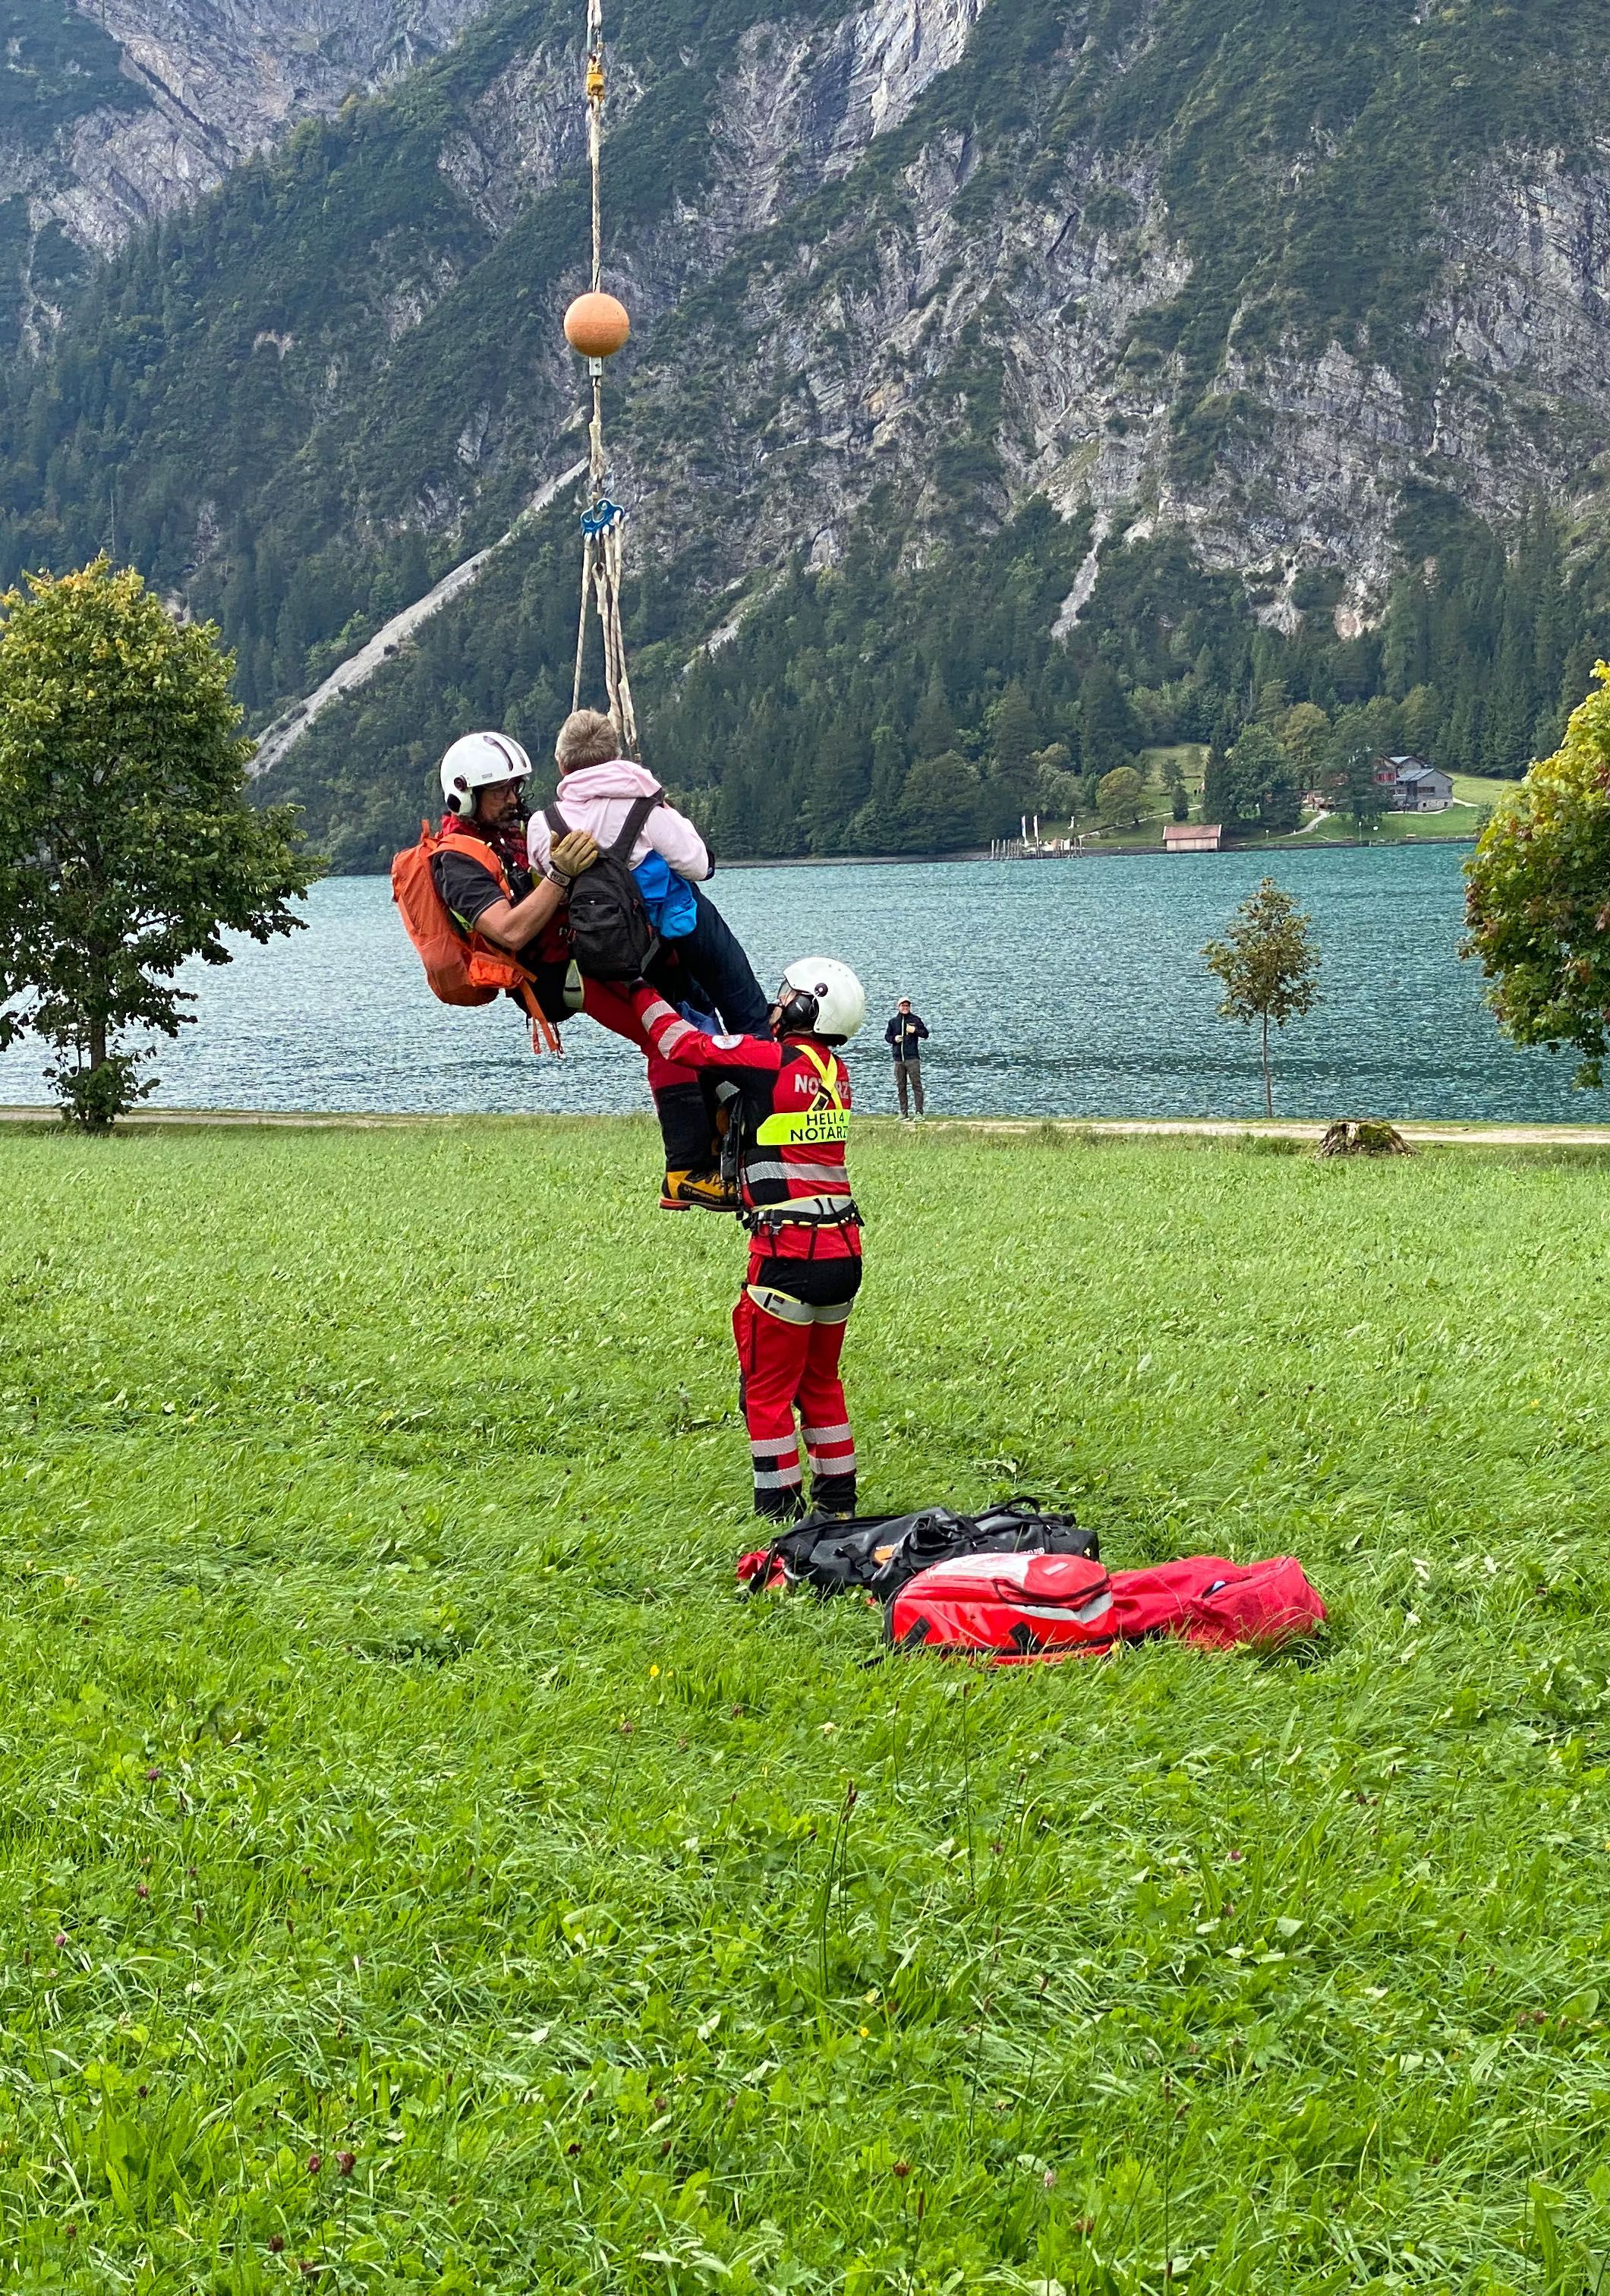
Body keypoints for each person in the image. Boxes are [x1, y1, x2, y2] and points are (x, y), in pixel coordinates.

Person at [430, 730, 724, 1205]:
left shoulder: (514, 831)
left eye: (514, 787)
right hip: (558, 973)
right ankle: (685, 1171)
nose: (513, 798)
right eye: (500, 791)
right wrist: (560, 875)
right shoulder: (455, 862)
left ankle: (719, 1139)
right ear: (464, 796)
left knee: (693, 1015)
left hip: (592, 952)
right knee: (664, 1039)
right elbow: (509, 931)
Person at [630, 957, 867, 1522]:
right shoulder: (837, 1075)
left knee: (765, 1392)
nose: (777, 1002)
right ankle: (837, 1505)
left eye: (787, 995)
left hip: (787, 1252)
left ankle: (778, 1510)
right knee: (821, 1384)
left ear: (810, 1006)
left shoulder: (772, 1059)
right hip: (844, 1251)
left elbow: (682, 1045)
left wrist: (637, 989)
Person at [529, 709, 770, 1034]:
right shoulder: (645, 807)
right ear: (615, 757)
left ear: (562, 765)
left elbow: (545, 884)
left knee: (686, 1022)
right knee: (744, 1006)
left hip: (607, 946)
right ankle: (760, 1062)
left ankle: (702, 1060)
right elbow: (697, 866)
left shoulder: (543, 824)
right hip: (674, 933)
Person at [884, 996, 929, 1118]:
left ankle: (919, 1112)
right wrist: (894, 1039)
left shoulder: (915, 1020)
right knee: (901, 1086)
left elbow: (925, 1034)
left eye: (907, 1006)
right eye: (903, 1006)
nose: (905, 1008)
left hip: (912, 1058)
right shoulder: (893, 1022)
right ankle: (904, 1112)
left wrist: (915, 1030)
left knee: (916, 1085)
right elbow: (887, 1037)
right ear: (898, 1007)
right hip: (898, 1059)